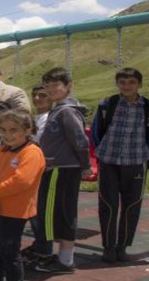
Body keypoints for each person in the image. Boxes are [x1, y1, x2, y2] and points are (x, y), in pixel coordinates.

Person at [91, 67, 149, 263]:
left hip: (136, 162)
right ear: (117, 84)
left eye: (131, 82)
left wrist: (144, 153)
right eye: (122, 82)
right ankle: (109, 247)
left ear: (139, 84)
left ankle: (122, 246)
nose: (127, 86)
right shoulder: (107, 104)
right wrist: (101, 152)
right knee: (107, 204)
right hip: (109, 161)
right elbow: (97, 131)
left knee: (132, 206)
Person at [34, 67, 91, 274]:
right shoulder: (59, 110)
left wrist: (85, 166)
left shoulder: (66, 111)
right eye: (47, 86)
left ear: (68, 86)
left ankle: (63, 261)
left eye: (55, 85)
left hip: (61, 168)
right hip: (58, 167)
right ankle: (64, 258)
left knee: (53, 214)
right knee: (62, 213)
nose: (50, 90)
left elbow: (80, 140)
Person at [0, 110, 46, 281]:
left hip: (15, 211)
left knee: (9, 253)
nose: (7, 135)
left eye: (13, 130)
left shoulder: (32, 152)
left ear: (27, 130)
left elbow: (22, 181)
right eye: (4, 130)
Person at [21, 84, 54, 264]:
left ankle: (45, 250)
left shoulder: (51, 117)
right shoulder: (34, 117)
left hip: (44, 169)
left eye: (43, 95)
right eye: (35, 95)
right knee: (33, 210)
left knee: (41, 211)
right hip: (31, 168)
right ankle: (40, 245)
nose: (38, 99)